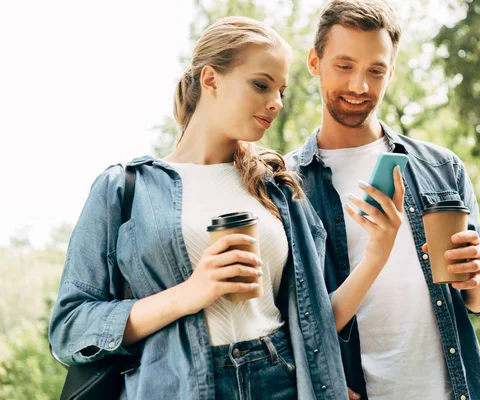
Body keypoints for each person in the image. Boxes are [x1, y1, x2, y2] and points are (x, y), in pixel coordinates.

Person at [48, 16, 351, 399]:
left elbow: (315, 314)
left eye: (281, 91)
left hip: (280, 381)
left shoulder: (276, 186)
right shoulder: (124, 188)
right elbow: (70, 328)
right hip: (173, 386)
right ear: (210, 80)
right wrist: (192, 292)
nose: (275, 102)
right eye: (261, 85)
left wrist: (377, 253)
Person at [285, 1, 480, 399]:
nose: (359, 87)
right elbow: (287, 328)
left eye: (376, 71)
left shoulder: (441, 167)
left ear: (392, 71)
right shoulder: (285, 186)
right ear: (315, 62)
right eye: (344, 66)